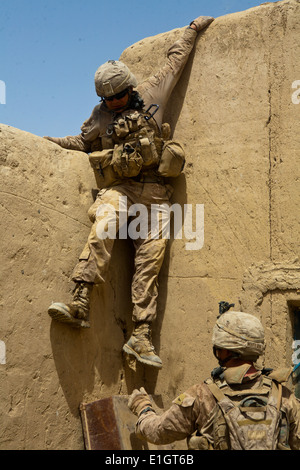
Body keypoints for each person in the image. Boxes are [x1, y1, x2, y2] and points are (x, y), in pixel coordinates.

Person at [46, 16, 215, 369]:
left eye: (119, 95)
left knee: (150, 261)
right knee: (104, 223)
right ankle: (80, 300)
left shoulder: (153, 93)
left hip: (155, 195)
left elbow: (175, 60)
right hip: (120, 189)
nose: (114, 102)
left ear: (130, 88)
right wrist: (50, 143)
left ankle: (141, 335)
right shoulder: (101, 114)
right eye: (107, 99)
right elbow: (82, 141)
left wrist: (193, 29)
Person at [128, 308, 300, 450]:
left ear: (225, 350)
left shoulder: (203, 395)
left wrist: (143, 409)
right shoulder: (283, 396)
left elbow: (158, 431)